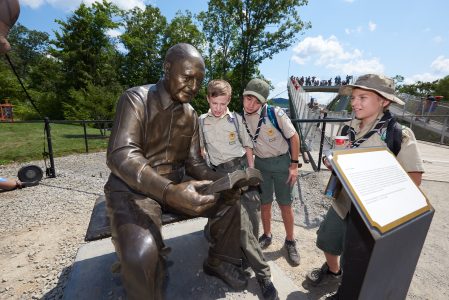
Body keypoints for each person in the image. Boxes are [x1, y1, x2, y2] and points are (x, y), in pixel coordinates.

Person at [104, 43, 246, 300]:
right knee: (140, 255)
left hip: (178, 184)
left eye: (198, 81)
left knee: (231, 200)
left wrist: (224, 181)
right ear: (167, 68)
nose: (193, 86)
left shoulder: (191, 115)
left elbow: (194, 164)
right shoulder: (136, 99)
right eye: (187, 77)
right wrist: (169, 192)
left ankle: (219, 261)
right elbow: (121, 154)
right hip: (134, 190)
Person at [306, 74, 424, 296]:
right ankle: (333, 272)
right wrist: (332, 162)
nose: (354, 103)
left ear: (384, 101)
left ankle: (346, 292)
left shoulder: (399, 134)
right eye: (353, 98)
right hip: (343, 203)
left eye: (363, 97)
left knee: (358, 261)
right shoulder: (348, 128)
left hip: (371, 215)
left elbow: (414, 180)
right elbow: (340, 158)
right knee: (327, 240)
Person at [199, 79, 278, 299]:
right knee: (241, 226)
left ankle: (243, 259)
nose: (218, 109)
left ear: (228, 101)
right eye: (215, 103)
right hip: (222, 176)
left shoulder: (235, 119)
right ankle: (264, 276)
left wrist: (251, 171)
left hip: (242, 170)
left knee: (252, 222)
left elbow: (247, 145)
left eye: (223, 104)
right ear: (208, 99)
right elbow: (200, 151)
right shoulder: (201, 122)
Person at [241, 78, 301, 266]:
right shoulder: (240, 118)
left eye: (257, 101)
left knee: (285, 205)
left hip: (282, 163)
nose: (251, 104)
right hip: (261, 165)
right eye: (248, 98)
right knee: (264, 204)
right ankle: (267, 235)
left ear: (263, 102)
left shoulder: (275, 113)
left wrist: (293, 165)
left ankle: (290, 241)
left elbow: (294, 137)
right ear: (243, 96)